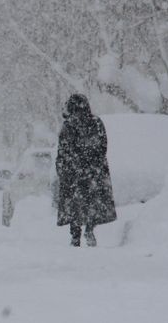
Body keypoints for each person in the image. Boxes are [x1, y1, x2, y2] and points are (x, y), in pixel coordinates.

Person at [55, 94, 116, 247]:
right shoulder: (96, 122)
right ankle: (89, 228)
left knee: (75, 204)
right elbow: (103, 145)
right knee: (92, 203)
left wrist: (64, 167)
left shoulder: (68, 125)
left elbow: (63, 150)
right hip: (93, 172)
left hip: (74, 173)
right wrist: (93, 163)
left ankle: (75, 235)